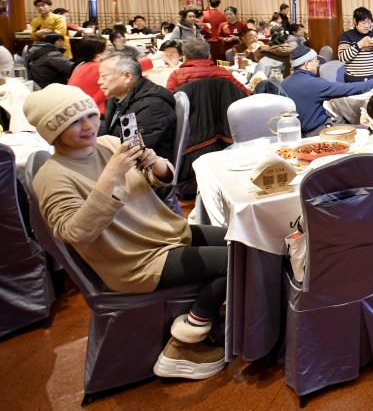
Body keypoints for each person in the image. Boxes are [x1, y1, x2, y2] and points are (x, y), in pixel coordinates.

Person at [24, 83, 227, 380]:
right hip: (134, 260)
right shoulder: (53, 176)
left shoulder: (108, 144)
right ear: (52, 132)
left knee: (244, 241)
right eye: (73, 122)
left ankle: (213, 311)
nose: (88, 127)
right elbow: (76, 233)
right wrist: (111, 176)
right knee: (237, 260)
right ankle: (184, 343)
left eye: (90, 116)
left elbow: (156, 184)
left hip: (162, 235)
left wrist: (154, 164)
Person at [282, 45, 373, 135]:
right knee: (368, 131)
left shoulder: (284, 83)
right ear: (307, 64)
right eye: (316, 61)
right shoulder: (313, 83)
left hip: (297, 132)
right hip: (318, 131)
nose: (318, 63)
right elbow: (347, 89)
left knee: (343, 119)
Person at [97, 51, 177, 162]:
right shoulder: (117, 98)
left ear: (127, 76)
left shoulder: (153, 105)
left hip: (145, 168)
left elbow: (134, 151)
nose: (99, 81)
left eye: (104, 77)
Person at [166, 39, 249, 94]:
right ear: (209, 56)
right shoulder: (222, 72)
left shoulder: (177, 75)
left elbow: (169, 99)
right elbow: (245, 92)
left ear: (185, 57)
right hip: (221, 114)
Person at [338, 7, 373, 83]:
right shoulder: (347, 35)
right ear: (355, 21)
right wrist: (359, 45)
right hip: (354, 81)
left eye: (369, 22)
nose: (367, 26)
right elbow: (342, 57)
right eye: (363, 22)